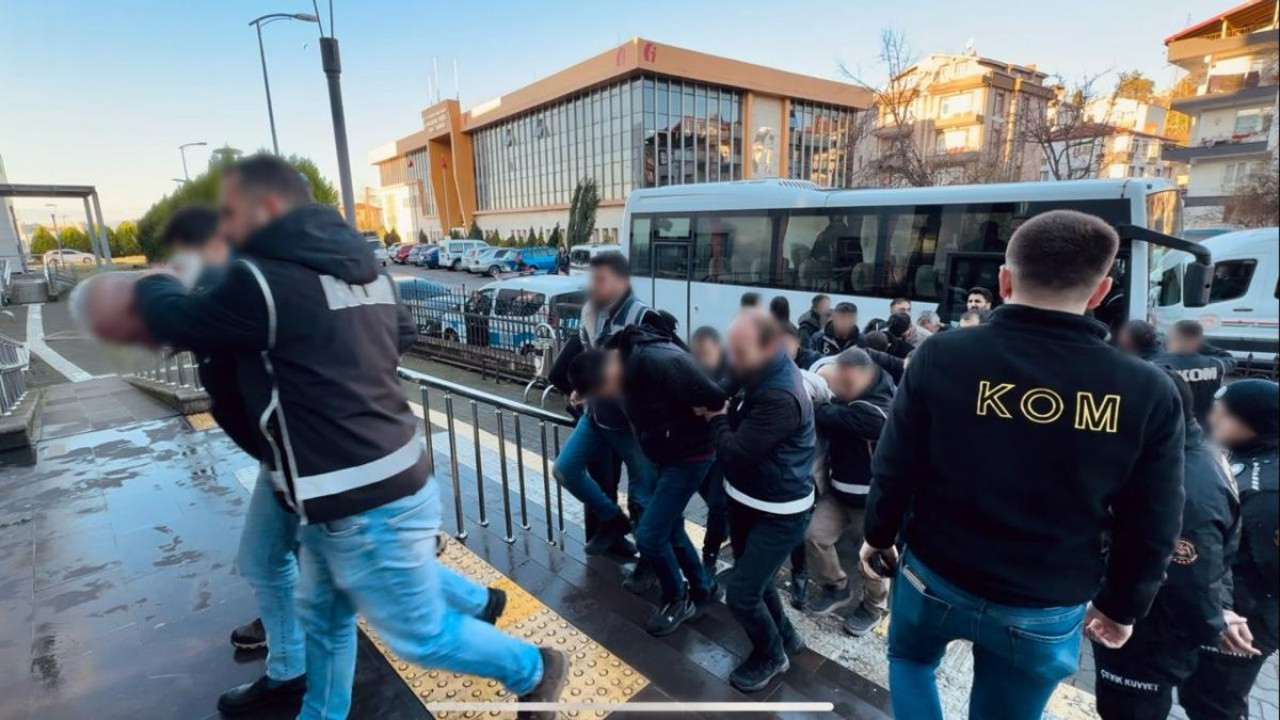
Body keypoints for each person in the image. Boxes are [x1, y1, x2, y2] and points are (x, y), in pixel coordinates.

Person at [77, 155, 569, 720]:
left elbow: (185, 321)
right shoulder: (367, 271)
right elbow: (399, 334)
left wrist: (157, 283)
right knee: (327, 616)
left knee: (419, 635)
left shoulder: (260, 279)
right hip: (368, 474)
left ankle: (534, 668)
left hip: (357, 492)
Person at [861, 209, 1186, 720]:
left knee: (908, 659)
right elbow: (1154, 519)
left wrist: (878, 535)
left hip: (936, 573)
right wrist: (1122, 606)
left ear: (1004, 281)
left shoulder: (942, 355)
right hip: (1045, 600)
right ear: (1100, 292)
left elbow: (895, 464)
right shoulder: (1148, 390)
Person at [157, 206, 288, 668]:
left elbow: (184, 322)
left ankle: (521, 662)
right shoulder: (231, 284)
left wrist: (160, 287)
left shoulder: (249, 283)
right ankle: (290, 655)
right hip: (279, 451)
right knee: (268, 557)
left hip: (299, 451)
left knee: (285, 558)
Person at [1091, 371, 1240, 720]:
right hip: (1155, 624)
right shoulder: (1193, 451)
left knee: (1128, 710)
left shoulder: (1182, 483)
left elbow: (1191, 577)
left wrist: (1213, 623)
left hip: (1149, 633)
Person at [568, 324, 728, 636]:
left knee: (650, 537)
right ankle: (703, 585)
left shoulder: (662, 362)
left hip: (689, 457)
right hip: (662, 454)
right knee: (671, 527)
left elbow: (718, 396)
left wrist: (698, 414)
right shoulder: (615, 363)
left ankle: (676, 598)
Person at [697, 310, 815, 692]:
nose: (732, 355)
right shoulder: (755, 365)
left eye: (740, 349)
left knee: (743, 594)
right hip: (748, 498)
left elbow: (733, 453)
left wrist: (717, 417)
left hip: (779, 510)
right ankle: (787, 638)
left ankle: (771, 655)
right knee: (758, 581)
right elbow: (724, 387)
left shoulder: (782, 395)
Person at [548, 252, 662, 562]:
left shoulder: (643, 317)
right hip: (597, 416)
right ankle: (613, 519)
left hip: (632, 424)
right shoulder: (590, 314)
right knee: (565, 470)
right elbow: (589, 361)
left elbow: (656, 372)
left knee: (643, 497)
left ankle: (653, 563)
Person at [1180, 380, 1279, 720]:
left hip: (1246, 619)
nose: (1212, 420)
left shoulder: (1268, 492)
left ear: (1254, 424)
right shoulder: (1251, 454)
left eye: (1223, 415)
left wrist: (1232, 611)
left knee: (1213, 702)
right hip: (1228, 607)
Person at [803, 349, 895, 637]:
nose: (837, 390)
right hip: (838, 493)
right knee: (814, 536)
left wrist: (818, 405)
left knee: (871, 559)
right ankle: (836, 586)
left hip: (872, 501)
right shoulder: (849, 396)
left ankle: (873, 607)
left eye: (846, 384)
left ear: (866, 377)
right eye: (836, 383)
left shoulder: (880, 407)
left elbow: (856, 419)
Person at [690, 326, 731, 575]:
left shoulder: (733, 369)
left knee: (718, 503)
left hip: (722, 447)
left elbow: (723, 398)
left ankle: (709, 555)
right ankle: (723, 529)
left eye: (707, 352)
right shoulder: (690, 365)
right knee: (706, 494)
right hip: (697, 445)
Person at [1154, 320, 1235, 427]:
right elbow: (1229, 358)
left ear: (1172, 337)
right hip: (1204, 429)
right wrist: (1199, 344)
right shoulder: (1215, 364)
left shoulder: (1156, 364)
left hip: (1169, 429)